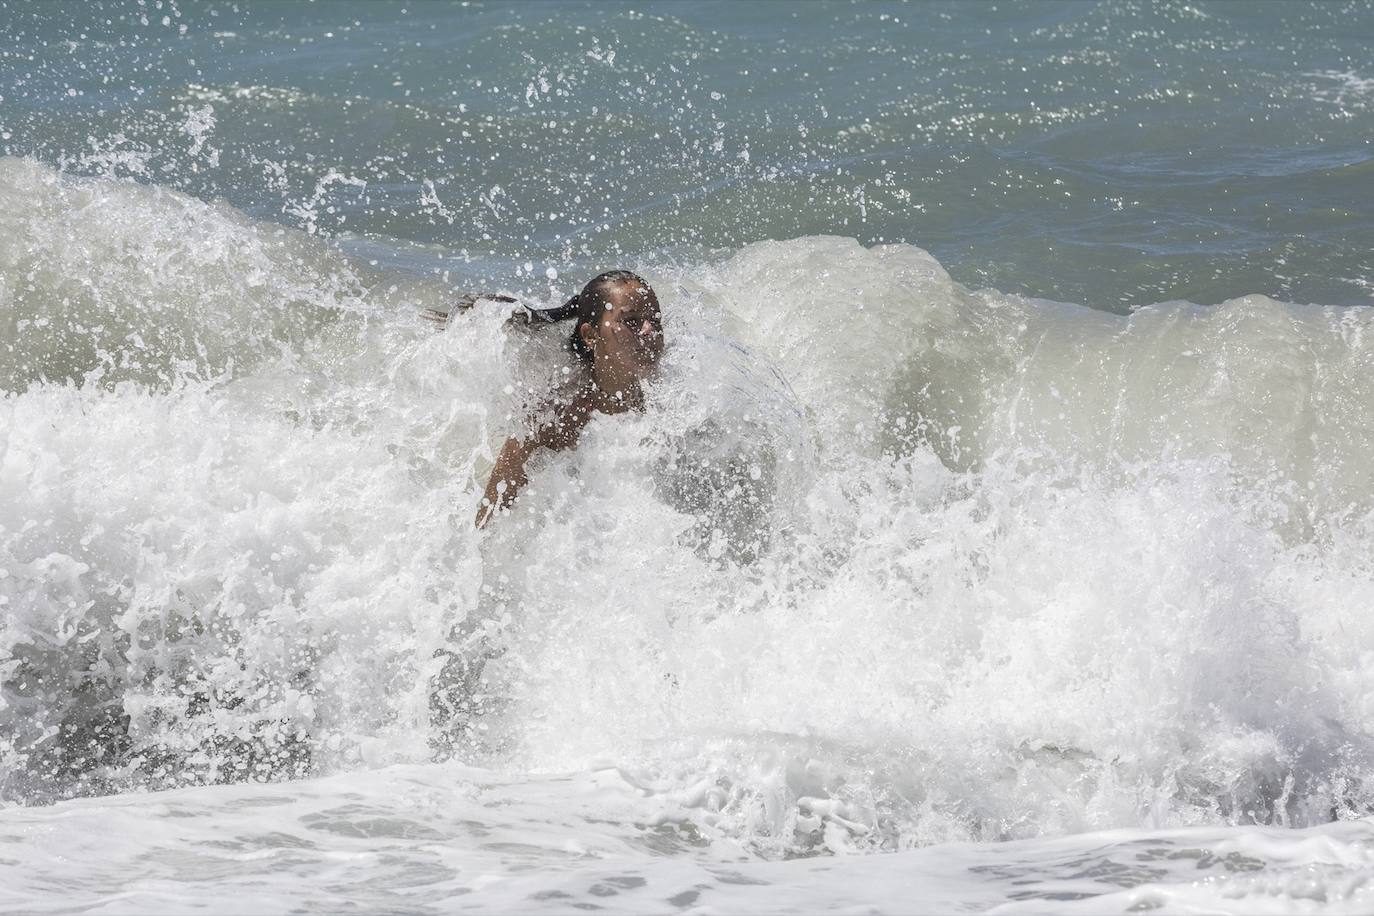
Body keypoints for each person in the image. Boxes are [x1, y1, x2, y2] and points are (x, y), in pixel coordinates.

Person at [468, 270, 665, 528]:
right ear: (590, 335)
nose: (649, 330)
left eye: (656, 320)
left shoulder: (677, 395)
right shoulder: (555, 413)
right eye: (631, 321)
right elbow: (490, 516)